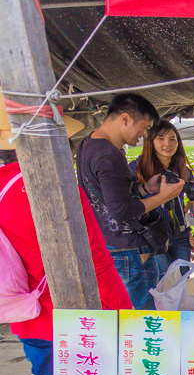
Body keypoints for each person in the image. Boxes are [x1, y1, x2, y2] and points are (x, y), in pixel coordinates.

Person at [0, 135, 132, 375]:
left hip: (25, 316)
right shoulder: (61, 190)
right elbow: (95, 257)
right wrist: (122, 312)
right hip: (74, 319)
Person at [75, 93, 185, 309]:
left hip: (108, 242)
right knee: (142, 317)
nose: (144, 135)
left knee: (124, 314)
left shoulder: (87, 144)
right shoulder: (109, 155)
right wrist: (163, 196)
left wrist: (145, 188)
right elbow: (122, 211)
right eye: (144, 128)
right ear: (125, 119)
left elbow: (109, 196)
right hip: (126, 250)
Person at [130, 120, 194, 275]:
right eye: (160, 138)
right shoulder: (136, 168)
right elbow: (127, 203)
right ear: (150, 141)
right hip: (152, 237)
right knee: (163, 283)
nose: (167, 144)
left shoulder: (184, 171)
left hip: (180, 236)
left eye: (172, 139)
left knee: (181, 283)